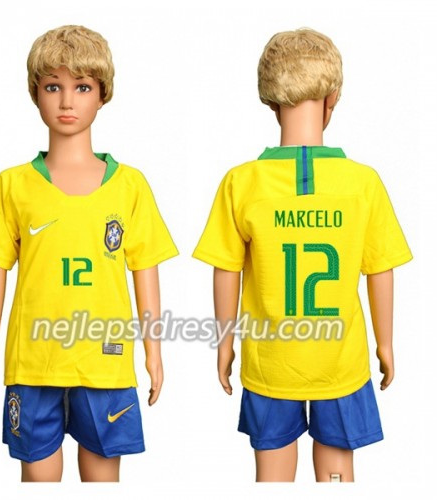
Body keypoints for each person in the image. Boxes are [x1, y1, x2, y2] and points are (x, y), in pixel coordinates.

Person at [0, 25, 178, 482]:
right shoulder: (12, 185)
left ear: (103, 95)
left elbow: (145, 271)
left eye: (82, 87)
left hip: (105, 363)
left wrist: (153, 352)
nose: (66, 101)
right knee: (39, 480)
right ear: (35, 94)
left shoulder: (130, 186)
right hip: (33, 363)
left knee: (102, 480)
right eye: (53, 87)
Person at [192, 28, 412, 482]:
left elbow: (225, 270)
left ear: (270, 101)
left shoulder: (241, 183)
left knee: (272, 474)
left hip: (269, 361)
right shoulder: (363, 183)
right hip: (341, 361)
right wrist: (385, 344)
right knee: (337, 473)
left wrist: (224, 343)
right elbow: (381, 269)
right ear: (333, 98)